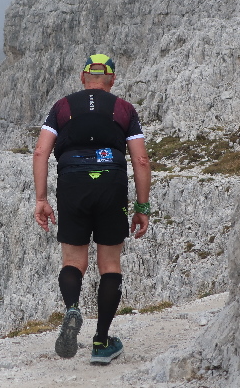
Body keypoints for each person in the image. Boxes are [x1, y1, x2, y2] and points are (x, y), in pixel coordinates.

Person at [32, 53, 151, 365]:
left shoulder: (62, 107)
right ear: (112, 79)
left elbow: (41, 152)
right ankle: (101, 342)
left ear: (83, 77)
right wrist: (142, 206)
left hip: (72, 184)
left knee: (73, 261)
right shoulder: (124, 109)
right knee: (110, 265)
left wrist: (41, 199)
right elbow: (141, 160)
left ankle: (73, 308)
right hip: (111, 183)